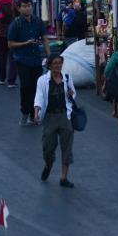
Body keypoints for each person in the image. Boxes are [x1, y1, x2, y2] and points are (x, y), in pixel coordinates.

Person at [33, 54, 77, 188]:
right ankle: (48, 164)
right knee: (48, 148)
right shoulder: (42, 81)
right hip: (50, 117)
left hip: (65, 116)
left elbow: (73, 94)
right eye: (55, 63)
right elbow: (39, 98)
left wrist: (71, 94)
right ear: (50, 65)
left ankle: (64, 178)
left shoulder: (67, 78)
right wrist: (36, 112)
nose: (58, 66)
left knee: (67, 148)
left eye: (60, 63)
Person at [8, 0, 49, 126]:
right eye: (24, 6)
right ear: (19, 8)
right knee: (26, 88)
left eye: (29, 5)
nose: (28, 8)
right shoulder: (16, 24)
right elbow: (10, 44)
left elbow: (45, 39)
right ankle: (25, 113)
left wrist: (49, 56)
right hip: (22, 60)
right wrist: (26, 43)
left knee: (37, 88)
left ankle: (34, 114)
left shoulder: (38, 21)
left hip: (36, 60)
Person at [0, 0, 18, 87]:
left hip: (0, 32)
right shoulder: (13, 3)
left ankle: (1, 78)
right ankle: (11, 80)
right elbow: (18, 15)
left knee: (2, 56)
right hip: (12, 33)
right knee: (13, 57)